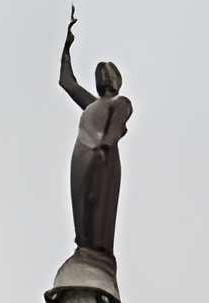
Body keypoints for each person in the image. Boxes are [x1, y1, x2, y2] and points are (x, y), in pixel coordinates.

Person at [58, 10, 131, 262]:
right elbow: (67, 83)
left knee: (98, 205)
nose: (101, 77)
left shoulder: (121, 102)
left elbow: (117, 126)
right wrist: (66, 48)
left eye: (106, 73)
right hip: (83, 156)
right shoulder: (91, 105)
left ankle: (97, 257)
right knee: (81, 204)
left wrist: (104, 146)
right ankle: (85, 250)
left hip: (103, 157)